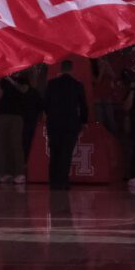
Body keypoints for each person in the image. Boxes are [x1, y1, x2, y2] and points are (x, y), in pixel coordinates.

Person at [42, 60, 88, 190]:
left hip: (54, 123)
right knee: (66, 152)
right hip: (70, 123)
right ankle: (63, 180)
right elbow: (83, 105)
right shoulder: (77, 85)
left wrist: (51, 115)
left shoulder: (52, 84)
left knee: (55, 151)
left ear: (61, 69)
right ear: (71, 69)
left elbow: (45, 104)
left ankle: (53, 180)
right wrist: (83, 121)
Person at [0, 73, 37, 184]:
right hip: (3, 114)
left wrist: (11, 80)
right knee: (3, 145)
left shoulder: (23, 78)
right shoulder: (3, 78)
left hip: (17, 115)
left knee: (16, 144)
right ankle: (5, 173)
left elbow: (24, 90)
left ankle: (19, 173)